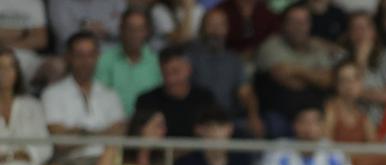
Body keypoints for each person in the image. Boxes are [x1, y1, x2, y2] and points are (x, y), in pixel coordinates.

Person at [42, 31, 126, 165]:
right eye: (79, 55)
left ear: (97, 57)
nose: (86, 61)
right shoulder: (53, 93)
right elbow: (60, 141)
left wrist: (80, 132)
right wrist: (102, 132)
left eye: (90, 54)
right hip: (70, 158)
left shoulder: (109, 94)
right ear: (69, 57)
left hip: (109, 158)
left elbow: (121, 133)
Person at [255, 2, 334, 138]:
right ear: (284, 25)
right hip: (280, 112)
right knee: (277, 127)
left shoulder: (318, 48)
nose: (299, 27)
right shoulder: (271, 45)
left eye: (304, 22)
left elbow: (327, 80)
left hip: (314, 112)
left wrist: (296, 70)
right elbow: (288, 81)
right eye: (294, 22)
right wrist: (313, 76)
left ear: (310, 25)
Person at [186, 6, 266, 138]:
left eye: (220, 25)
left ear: (227, 29)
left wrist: (254, 116)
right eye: (211, 25)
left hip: (228, 117)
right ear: (202, 28)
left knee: (253, 130)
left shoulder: (234, 60)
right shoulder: (190, 55)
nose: (216, 31)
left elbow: (245, 92)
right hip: (197, 117)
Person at [0, 47, 59, 165]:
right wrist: (14, 156)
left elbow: (45, 146)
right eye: (1, 67)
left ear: (17, 72)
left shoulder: (32, 105)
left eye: (10, 66)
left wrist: (22, 155)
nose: (5, 72)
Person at [135, 45, 216, 137]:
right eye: (165, 73)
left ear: (189, 69)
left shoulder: (205, 98)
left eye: (175, 72)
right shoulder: (147, 101)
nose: (170, 79)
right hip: (159, 151)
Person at [96, 8, 162, 116]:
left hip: (146, 127)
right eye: (130, 28)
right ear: (121, 29)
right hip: (113, 125)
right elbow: (98, 98)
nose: (135, 34)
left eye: (140, 29)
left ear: (147, 32)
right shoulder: (104, 60)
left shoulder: (157, 62)